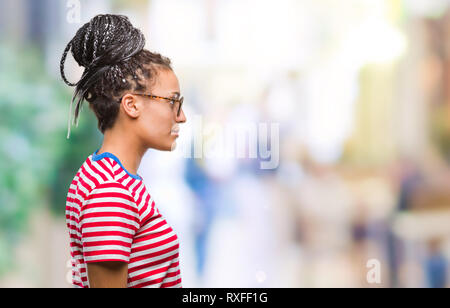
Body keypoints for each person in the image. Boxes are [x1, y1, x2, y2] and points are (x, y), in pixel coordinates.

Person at [60, 14, 187, 288]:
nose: (181, 116)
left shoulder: (109, 178)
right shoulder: (109, 191)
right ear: (131, 105)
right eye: (172, 102)